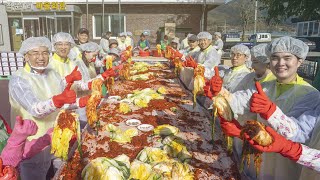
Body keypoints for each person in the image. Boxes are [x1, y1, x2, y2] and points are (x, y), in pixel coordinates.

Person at [205, 36, 320, 180]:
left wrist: (272, 112)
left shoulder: (310, 95)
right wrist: (220, 92)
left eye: (287, 58)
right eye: (275, 58)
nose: (280, 63)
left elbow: (299, 133)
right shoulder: (264, 87)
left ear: (299, 61)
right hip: (257, 158)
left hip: (284, 167)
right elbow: (238, 101)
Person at [8, 36, 90, 179]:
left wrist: (80, 102)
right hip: (33, 143)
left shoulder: (51, 73)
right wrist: (58, 100)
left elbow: (60, 103)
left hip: (57, 135)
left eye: (45, 52)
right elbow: (35, 109)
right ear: (26, 56)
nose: (41, 57)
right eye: (35, 53)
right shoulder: (19, 79)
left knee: (61, 173)